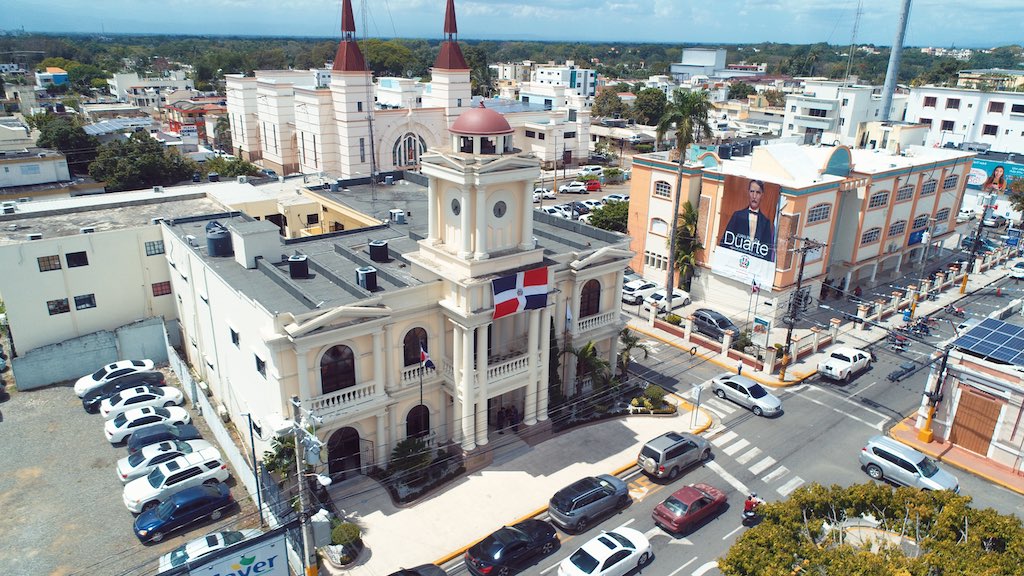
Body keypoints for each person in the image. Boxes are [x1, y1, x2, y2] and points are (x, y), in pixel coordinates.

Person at [721, 179, 776, 262]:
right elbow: (725, 241)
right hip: (735, 262)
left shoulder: (766, 222)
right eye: (752, 191)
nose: (754, 196)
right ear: (748, 193)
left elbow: (767, 251)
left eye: (758, 193)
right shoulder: (737, 215)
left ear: (762, 195)